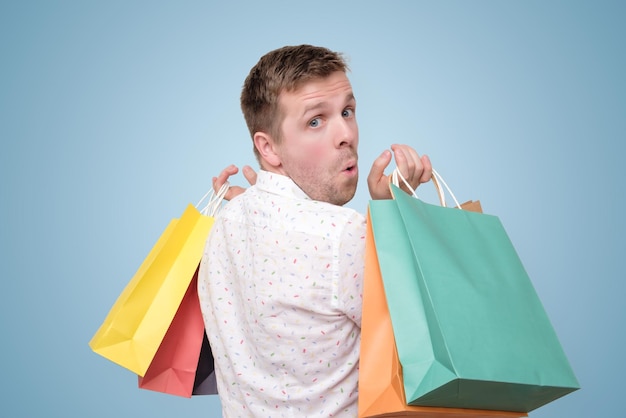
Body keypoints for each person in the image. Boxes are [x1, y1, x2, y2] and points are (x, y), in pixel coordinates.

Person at [198, 44, 431, 417]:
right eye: (315, 121)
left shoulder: (222, 224)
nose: (346, 135)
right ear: (268, 147)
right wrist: (395, 219)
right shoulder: (343, 235)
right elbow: (424, 347)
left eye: (347, 111)